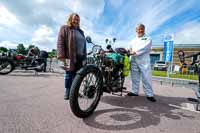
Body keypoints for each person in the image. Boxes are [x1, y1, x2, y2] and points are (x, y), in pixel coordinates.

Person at [57, 13, 87, 100]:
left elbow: (84, 46)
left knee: (77, 76)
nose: (76, 21)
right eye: (74, 19)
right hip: (68, 55)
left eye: (78, 20)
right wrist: (60, 55)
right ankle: (67, 92)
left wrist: (85, 57)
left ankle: (74, 92)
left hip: (80, 57)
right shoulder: (65, 28)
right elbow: (60, 42)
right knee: (69, 74)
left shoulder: (81, 32)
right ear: (70, 19)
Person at [127, 23, 156, 102]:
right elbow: (129, 49)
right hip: (133, 60)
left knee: (146, 77)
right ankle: (134, 91)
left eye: (141, 29)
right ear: (136, 30)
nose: (140, 30)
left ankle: (149, 94)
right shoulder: (132, 40)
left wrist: (134, 52)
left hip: (143, 60)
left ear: (144, 30)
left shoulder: (148, 38)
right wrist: (128, 51)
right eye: (138, 29)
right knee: (134, 77)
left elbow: (145, 47)